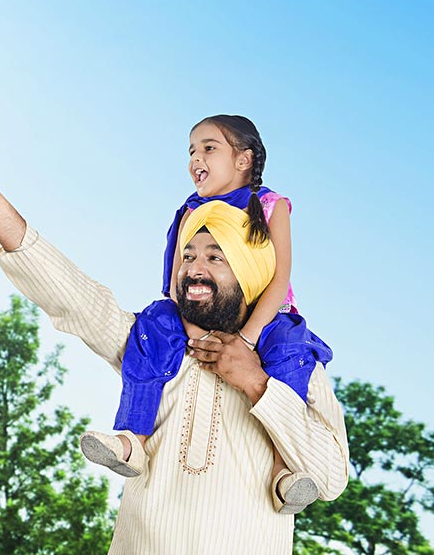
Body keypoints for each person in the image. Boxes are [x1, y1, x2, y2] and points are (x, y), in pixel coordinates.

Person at [0, 127, 349, 554]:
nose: (193, 268)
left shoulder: (294, 365)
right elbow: (71, 295)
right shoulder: (151, 343)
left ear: (248, 270)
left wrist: (258, 383)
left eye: (215, 257)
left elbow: (330, 479)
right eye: (187, 256)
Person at [80, 114, 329, 515]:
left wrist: (247, 338)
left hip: (264, 315)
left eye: (209, 148)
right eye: (191, 151)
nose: (196, 158)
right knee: (153, 327)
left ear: (244, 159)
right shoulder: (189, 210)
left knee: (288, 353)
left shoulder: (270, 206)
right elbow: (183, 276)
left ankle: (286, 473)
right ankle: (132, 441)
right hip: (196, 311)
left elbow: (279, 280)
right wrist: (190, 329)